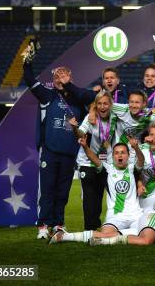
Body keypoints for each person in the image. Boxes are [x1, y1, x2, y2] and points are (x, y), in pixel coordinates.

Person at [23, 54, 84, 239]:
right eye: (56, 77)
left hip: (69, 153)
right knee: (47, 190)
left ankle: (58, 224)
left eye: (63, 76)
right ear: (53, 80)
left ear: (70, 79)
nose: (60, 79)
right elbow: (29, 80)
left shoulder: (79, 99)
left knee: (62, 192)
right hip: (50, 151)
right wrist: (27, 63)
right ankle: (43, 225)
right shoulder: (47, 95)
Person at [49, 141, 145, 244]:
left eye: (123, 152)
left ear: (128, 155)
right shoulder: (107, 170)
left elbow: (141, 161)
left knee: (143, 233)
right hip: (115, 216)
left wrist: (136, 148)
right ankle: (110, 237)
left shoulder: (132, 169)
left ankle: (69, 236)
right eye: (116, 153)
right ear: (112, 156)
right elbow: (93, 158)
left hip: (135, 215)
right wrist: (85, 146)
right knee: (108, 233)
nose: (120, 155)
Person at [68, 90, 118, 231]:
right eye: (99, 104)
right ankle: (90, 229)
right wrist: (74, 128)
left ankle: (114, 224)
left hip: (108, 163)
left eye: (105, 104)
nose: (103, 107)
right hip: (87, 162)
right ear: (95, 105)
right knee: (90, 198)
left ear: (111, 105)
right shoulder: (90, 118)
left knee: (110, 195)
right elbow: (81, 133)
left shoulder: (116, 117)